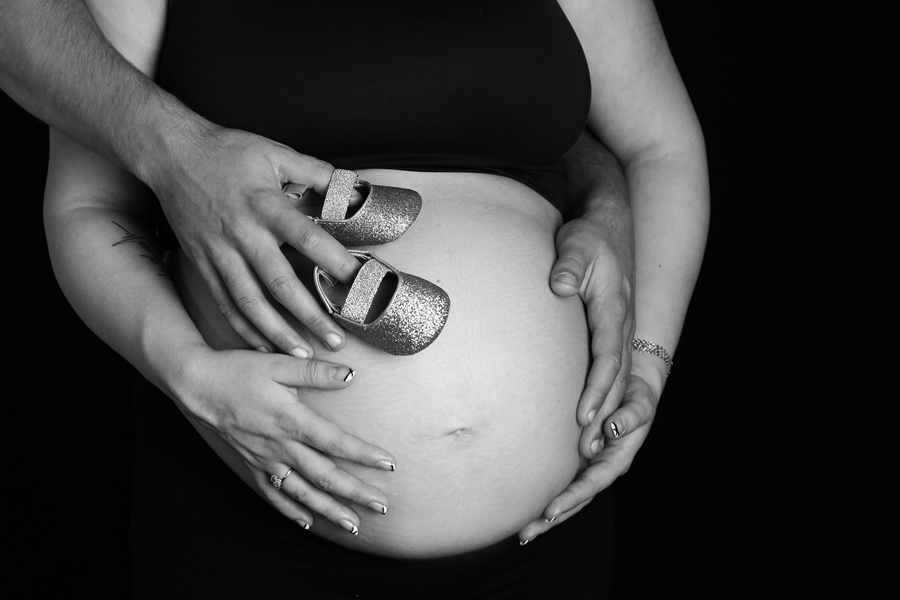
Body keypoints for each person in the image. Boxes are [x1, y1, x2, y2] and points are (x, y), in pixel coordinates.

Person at [4, 0, 708, 597]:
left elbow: (660, 146)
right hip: (256, 521)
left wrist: (648, 355)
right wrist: (188, 372)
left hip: (549, 536)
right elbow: (89, 207)